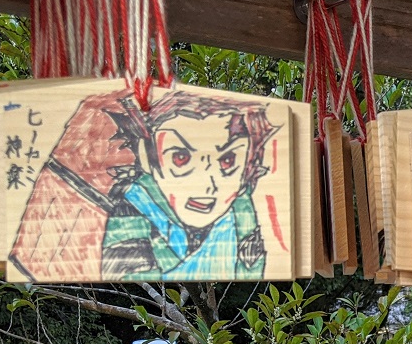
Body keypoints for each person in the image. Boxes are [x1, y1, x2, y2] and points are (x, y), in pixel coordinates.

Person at [100, 90, 280, 280]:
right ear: (147, 156)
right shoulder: (133, 206)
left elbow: (253, 266)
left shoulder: (242, 209)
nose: (207, 185)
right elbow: (124, 272)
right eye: (181, 158)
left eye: (228, 160)